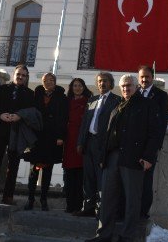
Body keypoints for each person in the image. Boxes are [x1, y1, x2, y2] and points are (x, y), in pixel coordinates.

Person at [85, 74, 160, 242]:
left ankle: (127, 236)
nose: (126, 89)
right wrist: (104, 157)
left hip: (134, 159)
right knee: (107, 199)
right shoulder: (118, 105)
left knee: (132, 200)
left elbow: (154, 135)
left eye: (129, 85)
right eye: (123, 86)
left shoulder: (148, 105)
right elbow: (109, 133)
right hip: (112, 158)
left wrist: (148, 157)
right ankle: (103, 235)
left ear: (136, 87)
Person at [0, 64, 36, 204]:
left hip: (17, 133)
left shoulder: (30, 94)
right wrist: (1, 115)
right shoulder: (2, 89)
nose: (20, 77)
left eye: (23, 75)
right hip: (1, 130)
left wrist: (20, 116)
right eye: (18, 74)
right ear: (14, 74)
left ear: (26, 77)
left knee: (13, 165)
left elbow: (32, 113)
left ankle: (8, 196)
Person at [74, 72, 121, 217]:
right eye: (100, 81)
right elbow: (84, 123)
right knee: (88, 177)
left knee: (102, 178)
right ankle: (87, 207)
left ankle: (100, 210)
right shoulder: (92, 100)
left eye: (105, 81)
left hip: (104, 145)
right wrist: (80, 142)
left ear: (111, 83)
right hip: (89, 143)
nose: (102, 83)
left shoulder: (117, 100)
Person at [24, 72, 68, 211]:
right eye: (45, 80)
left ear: (54, 82)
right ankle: (30, 198)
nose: (48, 82)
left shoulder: (61, 98)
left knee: (47, 170)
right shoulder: (36, 95)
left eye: (50, 80)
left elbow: (63, 118)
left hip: (51, 138)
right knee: (34, 170)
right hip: (37, 138)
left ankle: (44, 199)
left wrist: (60, 136)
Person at [137, 65, 168, 218]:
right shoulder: (134, 92)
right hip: (132, 146)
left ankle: (143, 213)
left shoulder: (161, 96)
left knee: (145, 181)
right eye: (141, 77)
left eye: (147, 76)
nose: (144, 79)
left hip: (149, 146)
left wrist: (155, 148)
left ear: (152, 77)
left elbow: (162, 123)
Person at [62, 78, 93, 213]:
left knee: (80, 176)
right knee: (69, 175)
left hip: (82, 140)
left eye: (80, 85)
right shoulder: (67, 102)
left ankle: (79, 206)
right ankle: (70, 205)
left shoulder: (89, 102)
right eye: (75, 86)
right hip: (69, 140)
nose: (77, 88)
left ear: (84, 87)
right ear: (71, 87)